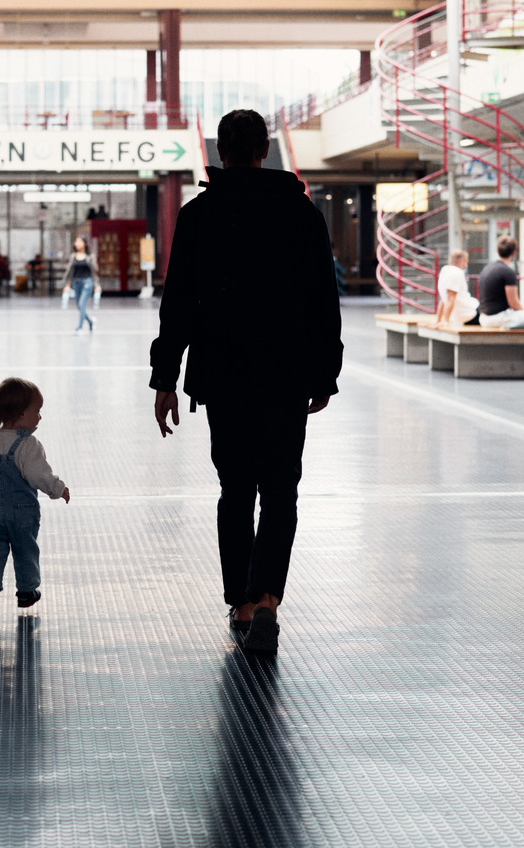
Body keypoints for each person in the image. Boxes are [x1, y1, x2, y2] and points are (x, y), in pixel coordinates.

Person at [150, 108, 343, 655]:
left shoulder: (199, 215)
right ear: (264, 150)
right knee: (281, 489)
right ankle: (266, 601)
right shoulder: (302, 215)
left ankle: (240, 601)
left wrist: (166, 376)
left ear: (223, 151)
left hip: (224, 373)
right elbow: (322, 301)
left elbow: (179, 303)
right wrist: (326, 371)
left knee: (235, 489)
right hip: (286, 373)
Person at [0, 377, 70, 622]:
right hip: (23, 514)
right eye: (37, 411)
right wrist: (58, 489)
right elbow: (40, 474)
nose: (39, 417)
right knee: (25, 549)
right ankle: (27, 592)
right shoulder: (28, 445)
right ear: (20, 415)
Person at [477, 236, 524, 335]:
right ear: (513, 253)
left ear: (497, 251)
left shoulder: (486, 269)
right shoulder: (507, 272)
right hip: (500, 318)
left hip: (484, 317)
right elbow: (513, 303)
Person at [62, 236, 101, 333]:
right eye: (76, 241)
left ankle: (79, 327)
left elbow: (94, 272)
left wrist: (97, 285)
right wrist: (67, 284)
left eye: (79, 241)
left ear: (84, 243)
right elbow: (70, 272)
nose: (77, 243)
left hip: (87, 282)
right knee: (79, 306)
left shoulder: (90, 256)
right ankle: (90, 321)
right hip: (76, 282)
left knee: (81, 304)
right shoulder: (73, 256)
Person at [435, 249, 479, 327]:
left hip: (466, 313)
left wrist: (438, 319)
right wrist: (446, 321)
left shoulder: (444, 271)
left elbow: (443, 299)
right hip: (470, 314)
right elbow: (451, 298)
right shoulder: (456, 273)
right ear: (463, 261)